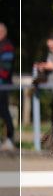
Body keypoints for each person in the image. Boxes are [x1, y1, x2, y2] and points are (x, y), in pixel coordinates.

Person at [0, 23, 14, 151]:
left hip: (3, 84)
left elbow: (6, 69)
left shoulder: (7, 46)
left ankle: (10, 138)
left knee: (4, 111)